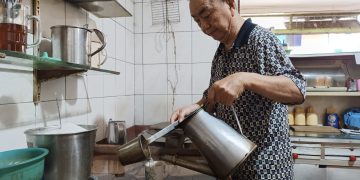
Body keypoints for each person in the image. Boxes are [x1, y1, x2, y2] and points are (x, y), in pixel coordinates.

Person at [170, 0, 306, 179]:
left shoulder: (261, 40)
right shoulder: (221, 52)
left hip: (266, 170)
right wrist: (196, 107)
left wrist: (245, 78)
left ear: (230, 4)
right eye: (197, 21)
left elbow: (297, 88)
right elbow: (214, 97)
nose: (203, 26)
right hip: (232, 167)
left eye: (206, 14)